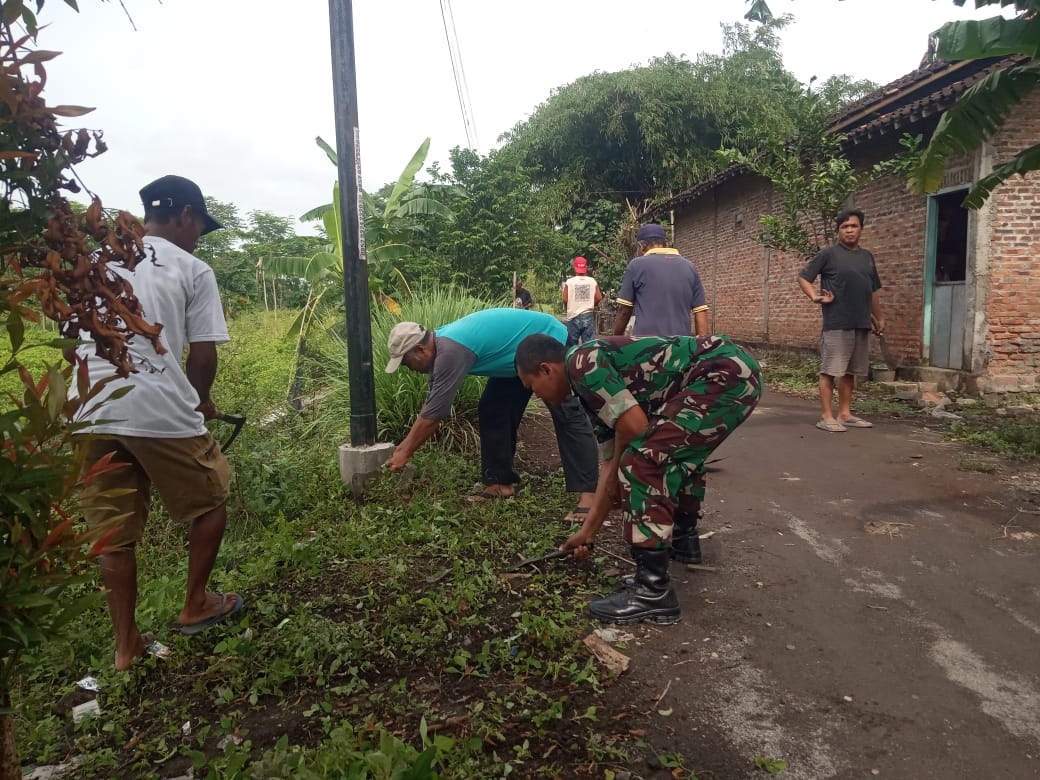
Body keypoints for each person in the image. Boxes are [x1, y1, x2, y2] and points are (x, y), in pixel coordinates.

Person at [68, 175, 242, 670]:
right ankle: (196, 603)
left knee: (112, 533)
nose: (198, 237)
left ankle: (126, 647)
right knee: (212, 497)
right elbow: (202, 351)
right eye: (199, 227)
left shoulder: (96, 260)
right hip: (157, 404)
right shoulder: (192, 267)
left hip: (91, 406)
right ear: (186, 215)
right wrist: (201, 400)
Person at [515, 333, 761, 625]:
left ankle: (653, 592)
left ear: (546, 369)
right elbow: (609, 462)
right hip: (732, 370)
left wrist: (621, 473)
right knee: (668, 454)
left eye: (532, 387)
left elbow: (633, 430)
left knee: (643, 460)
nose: (537, 396)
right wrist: (588, 531)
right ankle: (684, 541)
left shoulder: (582, 365)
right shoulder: (586, 390)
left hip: (723, 372)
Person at [385, 308, 598, 520]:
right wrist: (403, 446)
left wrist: (405, 453)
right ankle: (499, 483)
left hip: (545, 339)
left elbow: (435, 415)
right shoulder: (442, 349)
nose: (408, 368)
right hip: (512, 358)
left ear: (421, 350)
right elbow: (431, 405)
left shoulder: (450, 351)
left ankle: (589, 497)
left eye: (405, 362)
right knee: (494, 408)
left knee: (566, 412)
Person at [797, 209, 885, 432]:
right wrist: (814, 296)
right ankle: (826, 416)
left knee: (850, 372)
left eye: (853, 226)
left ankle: (844, 414)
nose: (849, 230)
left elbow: (873, 290)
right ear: (838, 231)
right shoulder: (828, 254)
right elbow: (804, 277)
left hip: (861, 322)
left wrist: (879, 317)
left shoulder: (867, 257)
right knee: (830, 370)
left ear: (861, 229)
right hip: (837, 322)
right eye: (844, 227)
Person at [612, 223, 709, 338]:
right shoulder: (690, 267)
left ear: (642, 245)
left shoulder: (636, 265)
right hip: (680, 346)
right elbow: (700, 311)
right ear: (665, 243)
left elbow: (624, 311)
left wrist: (616, 340)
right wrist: (701, 346)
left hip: (646, 346)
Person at [562, 255, 602, 347]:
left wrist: (566, 308)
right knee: (589, 345)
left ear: (575, 267)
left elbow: (565, 299)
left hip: (573, 316)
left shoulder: (570, 282)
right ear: (585, 267)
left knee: (571, 345)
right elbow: (599, 297)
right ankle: (587, 361)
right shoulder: (592, 281)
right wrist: (591, 304)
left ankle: (571, 360)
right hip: (587, 315)